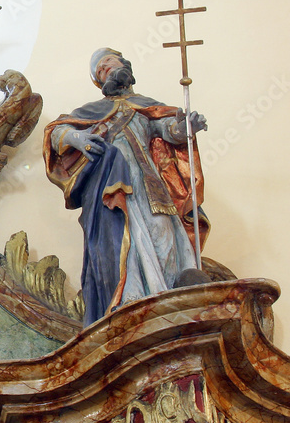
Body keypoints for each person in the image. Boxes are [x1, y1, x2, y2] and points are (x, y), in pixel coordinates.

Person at [43, 48, 210, 325]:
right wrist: (77, 138)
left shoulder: (146, 106)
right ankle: (132, 298)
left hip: (153, 188)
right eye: (99, 71)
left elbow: (169, 130)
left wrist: (186, 127)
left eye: (108, 63)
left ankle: (173, 293)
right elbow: (57, 132)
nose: (105, 69)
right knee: (125, 241)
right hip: (112, 191)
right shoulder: (92, 112)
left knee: (165, 237)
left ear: (124, 65)